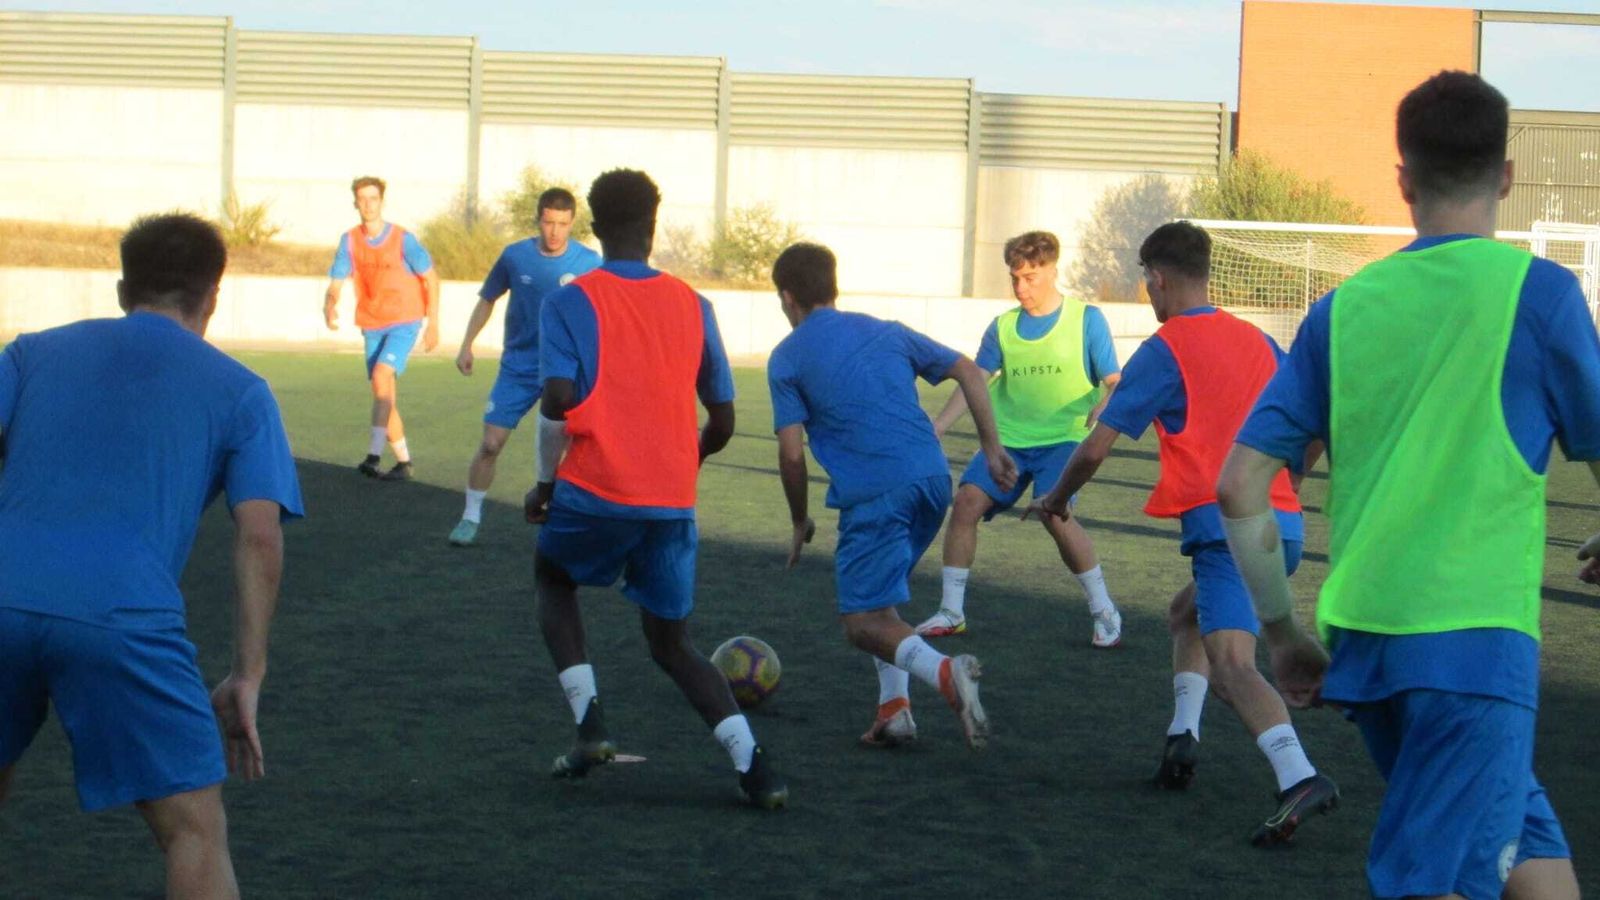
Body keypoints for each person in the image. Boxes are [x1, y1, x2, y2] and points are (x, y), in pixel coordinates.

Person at [1217, 71, 1594, 898]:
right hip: (1475, 642)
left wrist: (1281, 632)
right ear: (1505, 176)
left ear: (1403, 180)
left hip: (1368, 641)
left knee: (1526, 848)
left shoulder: (1340, 309)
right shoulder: (1541, 294)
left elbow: (1240, 483)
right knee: (1438, 878)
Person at [0, 214, 303, 898]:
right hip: (122, 616)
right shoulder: (242, 391)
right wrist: (247, 673)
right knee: (193, 830)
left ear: (122, 290)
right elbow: (260, 535)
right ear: (212, 296)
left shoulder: (29, 354)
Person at [1025, 221, 1337, 846]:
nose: (1148, 292)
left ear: (1159, 278)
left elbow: (1097, 446)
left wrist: (1056, 498)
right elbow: (1315, 420)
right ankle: (1182, 739)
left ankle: (1298, 775)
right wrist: (1292, 481)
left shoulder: (1166, 348)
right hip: (1281, 528)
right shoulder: (1256, 340)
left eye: (1146, 280)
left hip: (1229, 533)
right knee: (1185, 615)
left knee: (1232, 665)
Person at [523, 169, 787, 808]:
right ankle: (757, 771)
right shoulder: (694, 305)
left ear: (594, 228)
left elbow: (556, 399)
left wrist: (543, 484)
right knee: (672, 644)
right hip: (670, 501)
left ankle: (591, 729)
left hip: (596, 487)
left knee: (553, 579)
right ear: (653, 226)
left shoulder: (569, 301)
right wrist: (682, 459)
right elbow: (723, 421)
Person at [767, 242, 1016, 750]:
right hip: (931, 480)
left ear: (788, 297)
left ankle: (946, 674)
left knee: (861, 623)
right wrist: (992, 450)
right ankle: (894, 710)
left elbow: (792, 455)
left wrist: (798, 519)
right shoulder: (887, 330)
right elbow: (970, 370)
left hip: (877, 491)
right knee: (882, 605)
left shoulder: (787, 357)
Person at [919, 231, 1124, 646]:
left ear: (1052, 270)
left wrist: (1106, 403)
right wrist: (939, 425)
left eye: (1030, 277)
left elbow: (1115, 381)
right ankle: (951, 612)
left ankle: (1104, 611)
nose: (1020, 287)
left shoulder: (1086, 319)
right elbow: (975, 380)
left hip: (1064, 439)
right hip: (1009, 441)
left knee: (1054, 512)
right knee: (965, 503)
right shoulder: (1003, 327)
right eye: (1015, 278)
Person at [448, 188, 601, 546]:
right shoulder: (515, 256)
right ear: (538, 220)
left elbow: (603, 312)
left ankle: (562, 517)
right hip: (519, 366)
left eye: (562, 224)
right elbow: (487, 299)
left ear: (572, 223)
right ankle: (470, 517)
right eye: (548, 222)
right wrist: (467, 344)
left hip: (565, 369)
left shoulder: (589, 262)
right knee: (490, 444)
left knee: (571, 452)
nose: (555, 231)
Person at [323, 175, 441, 481]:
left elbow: (431, 278)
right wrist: (330, 303)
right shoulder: (350, 240)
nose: (368, 204)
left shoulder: (403, 239)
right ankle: (404, 463)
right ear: (355, 203)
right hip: (371, 322)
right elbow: (336, 282)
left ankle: (373, 457)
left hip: (405, 320)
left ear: (382, 202)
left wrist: (433, 323)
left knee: (381, 375)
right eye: (362, 199)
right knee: (383, 393)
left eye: (373, 198)